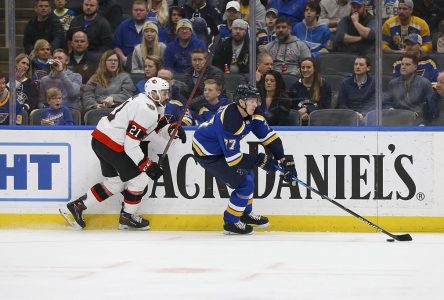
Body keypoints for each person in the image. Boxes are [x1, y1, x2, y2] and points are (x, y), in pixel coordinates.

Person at [60, 77, 187, 230]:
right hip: (113, 145)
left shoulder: (151, 103)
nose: (167, 96)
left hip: (101, 141)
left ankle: (77, 206)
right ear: (153, 93)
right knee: (141, 178)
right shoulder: (146, 108)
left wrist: (171, 130)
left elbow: (158, 126)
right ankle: (127, 217)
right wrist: (146, 165)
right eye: (163, 93)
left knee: (116, 182)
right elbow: (131, 144)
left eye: (167, 93)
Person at [192, 84, 298, 234]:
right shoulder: (230, 121)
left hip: (221, 148)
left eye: (257, 100)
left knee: (249, 175)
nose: (255, 104)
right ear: (241, 102)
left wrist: (283, 159)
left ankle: (245, 213)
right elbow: (233, 160)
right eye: (252, 100)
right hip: (207, 153)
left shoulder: (254, 112)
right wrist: (260, 160)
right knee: (245, 183)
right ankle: (231, 222)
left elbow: (270, 138)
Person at [383, 54, 435, 124]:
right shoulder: (393, 83)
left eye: (407, 65)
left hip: (417, 120)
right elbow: (386, 102)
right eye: (402, 64)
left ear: (415, 67)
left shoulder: (425, 83)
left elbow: (431, 105)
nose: (403, 67)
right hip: (396, 118)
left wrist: (420, 113)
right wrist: (390, 109)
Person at [289, 57, 332, 123]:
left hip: (319, 122)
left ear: (314, 69)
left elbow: (325, 107)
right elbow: (291, 107)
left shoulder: (324, 86)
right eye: (303, 67)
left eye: (308, 67)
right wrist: (300, 114)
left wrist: (307, 109)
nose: (305, 70)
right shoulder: (294, 87)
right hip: (298, 121)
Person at [337, 55, 375, 121]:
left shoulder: (374, 83)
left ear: (368, 68)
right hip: (349, 117)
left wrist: (364, 115)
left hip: (368, 118)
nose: (357, 66)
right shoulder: (345, 83)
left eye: (361, 65)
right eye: (355, 64)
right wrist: (353, 114)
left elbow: (375, 104)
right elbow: (341, 104)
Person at [112, 0, 149, 68]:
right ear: (132, 11)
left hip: (147, 64)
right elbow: (116, 46)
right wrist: (123, 58)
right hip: (126, 63)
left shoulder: (152, 26)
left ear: (147, 11)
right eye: (136, 10)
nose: (138, 12)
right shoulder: (124, 26)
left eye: (141, 10)